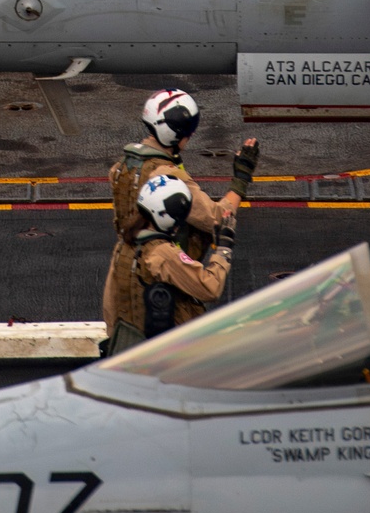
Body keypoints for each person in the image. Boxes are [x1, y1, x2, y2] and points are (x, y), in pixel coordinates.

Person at [102, 88, 258, 349]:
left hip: (126, 277)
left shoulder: (120, 169)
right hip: (168, 287)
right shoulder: (167, 176)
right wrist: (241, 179)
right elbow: (217, 217)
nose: (191, 135)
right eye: (188, 129)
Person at [103, 173, 236, 349]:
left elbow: (110, 305)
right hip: (164, 352)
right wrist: (223, 250)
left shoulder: (123, 246)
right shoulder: (163, 253)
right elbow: (210, 287)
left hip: (125, 346)